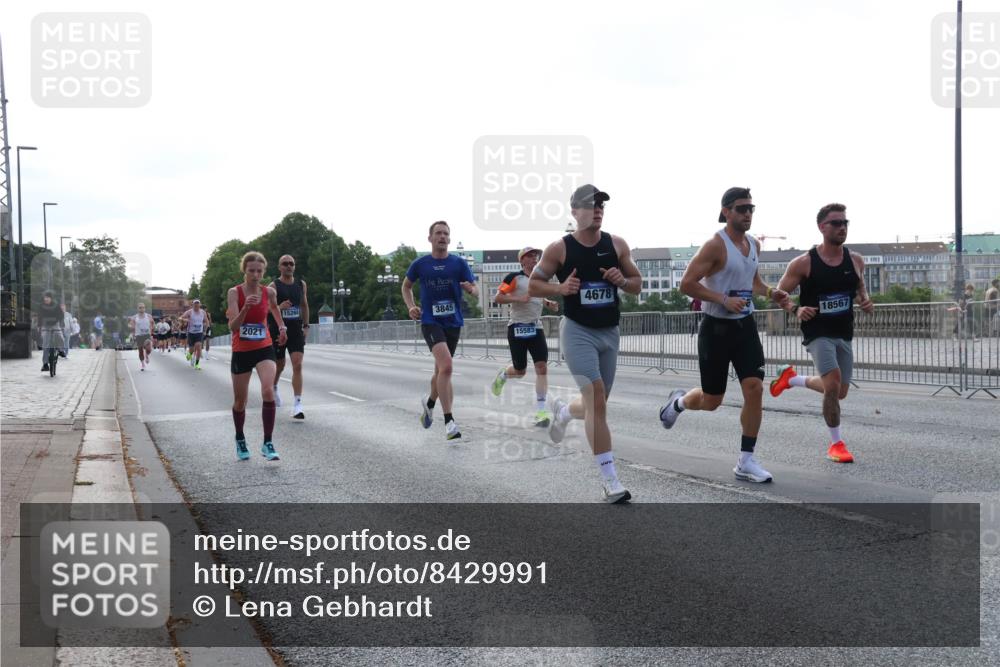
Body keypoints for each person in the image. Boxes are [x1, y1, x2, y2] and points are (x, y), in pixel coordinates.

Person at [658, 187, 788, 483]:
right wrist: (722, 299)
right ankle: (678, 403)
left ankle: (746, 460)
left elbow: (751, 279)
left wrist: (771, 292)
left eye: (751, 209)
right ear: (726, 211)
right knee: (712, 400)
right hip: (715, 329)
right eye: (742, 208)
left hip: (745, 326)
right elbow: (687, 284)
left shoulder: (754, 244)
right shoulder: (715, 245)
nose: (747, 214)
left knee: (754, 389)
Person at [529, 184, 643, 503]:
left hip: (609, 332)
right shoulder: (559, 249)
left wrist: (623, 281)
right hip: (577, 331)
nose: (598, 210)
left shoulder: (616, 244)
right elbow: (535, 284)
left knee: (597, 400)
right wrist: (561, 288)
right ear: (574, 211)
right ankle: (610, 480)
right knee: (596, 397)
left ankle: (565, 412)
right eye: (591, 205)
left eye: (601, 205)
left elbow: (637, 284)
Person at [771, 203, 874, 463]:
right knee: (833, 382)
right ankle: (836, 444)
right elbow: (778, 295)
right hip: (817, 331)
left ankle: (790, 379)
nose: (842, 228)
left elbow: (860, 285)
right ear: (822, 227)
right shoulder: (804, 263)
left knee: (839, 391)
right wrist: (795, 308)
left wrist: (865, 299)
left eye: (845, 223)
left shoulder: (855, 260)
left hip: (844, 330)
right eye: (836, 223)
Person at [402, 221, 478, 441]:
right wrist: (411, 306)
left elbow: (473, 288)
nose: (442, 237)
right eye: (438, 233)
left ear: (449, 239)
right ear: (430, 238)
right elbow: (406, 286)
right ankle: (449, 422)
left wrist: (471, 289)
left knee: (441, 372)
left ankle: (430, 404)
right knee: (447, 366)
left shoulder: (458, 263)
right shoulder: (420, 264)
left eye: (446, 234)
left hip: (453, 322)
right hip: (430, 320)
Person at [228, 251, 288, 461]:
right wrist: (245, 308)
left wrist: (282, 328)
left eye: (259, 271)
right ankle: (240, 438)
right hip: (242, 350)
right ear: (244, 270)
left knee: (267, 390)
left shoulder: (269, 292)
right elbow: (233, 326)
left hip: (263, 347)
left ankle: (268, 442)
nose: (255, 274)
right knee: (240, 401)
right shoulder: (235, 293)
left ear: (264, 272)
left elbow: (273, 309)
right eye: (251, 270)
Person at [490, 246, 559, 426]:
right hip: (517, 328)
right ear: (522, 260)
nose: (534, 258)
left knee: (542, 367)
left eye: (535, 255)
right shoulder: (514, 278)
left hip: (535, 327)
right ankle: (504, 375)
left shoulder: (540, 279)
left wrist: (548, 302)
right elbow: (498, 298)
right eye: (530, 256)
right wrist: (518, 299)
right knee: (520, 371)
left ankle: (541, 412)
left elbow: (537, 296)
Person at [268, 255, 310, 418]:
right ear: (279, 267)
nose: (288, 266)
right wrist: (279, 307)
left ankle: (298, 404)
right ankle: (274, 386)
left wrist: (306, 326)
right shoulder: (273, 286)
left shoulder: (301, 284)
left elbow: (304, 305)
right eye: (285, 264)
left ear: (295, 266)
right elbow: (266, 309)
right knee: (279, 365)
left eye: (291, 264)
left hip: (295, 329)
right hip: (278, 329)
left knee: (297, 364)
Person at [38, 292, 66, 375]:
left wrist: (60, 323)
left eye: (48, 297)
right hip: (46, 325)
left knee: (60, 337)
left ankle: (61, 350)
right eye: (45, 298)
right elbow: (40, 316)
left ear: (51, 298)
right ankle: (45, 364)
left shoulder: (56, 305)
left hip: (55, 324)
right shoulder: (41, 306)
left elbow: (61, 315)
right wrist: (39, 326)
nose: (46, 299)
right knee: (45, 345)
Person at [181, 299, 210, 369]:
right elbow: (181, 318)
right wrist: (185, 320)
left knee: (198, 347)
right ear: (193, 305)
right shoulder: (189, 312)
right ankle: (190, 354)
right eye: (195, 304)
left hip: (199, 332)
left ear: (200, 305)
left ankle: (197, 364)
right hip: (191, 333)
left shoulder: (203, 312)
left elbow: (206, 321)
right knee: (192, 349)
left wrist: (207, 328)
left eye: (198, 304)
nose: (196, 305)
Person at [130, 302, 155, 371]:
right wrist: (133, 334)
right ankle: (143, 364)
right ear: (137, 309)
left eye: (143, 307)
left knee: (149, 349)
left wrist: (152, 330)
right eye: (140, 307)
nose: (142, 309)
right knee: (140, 350)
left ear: (145, 308)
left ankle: (146, 354)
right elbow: (132, 327)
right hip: (139, 335)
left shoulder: (149, 316)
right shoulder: (134, 317)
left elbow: (153, 323)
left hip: (147, 335)